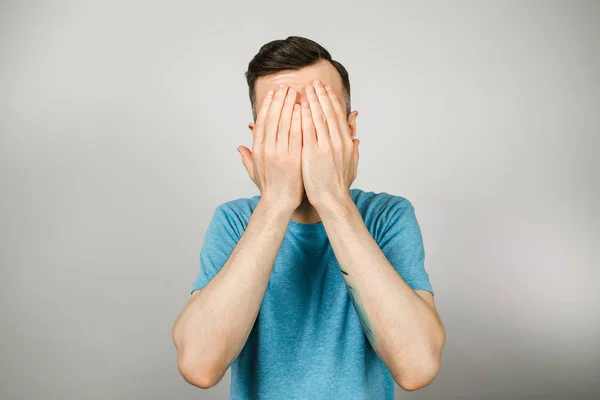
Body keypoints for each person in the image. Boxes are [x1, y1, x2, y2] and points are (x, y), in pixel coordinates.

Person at [172, 36, 445, 399]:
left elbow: (417, 368)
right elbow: (200, 366)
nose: (301, 132)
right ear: (258, 138)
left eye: (320, 116)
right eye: (282, 120)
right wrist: (275, 203)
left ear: (349, 130)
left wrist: (332, 198)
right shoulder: (234, 221)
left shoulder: (387, 216)